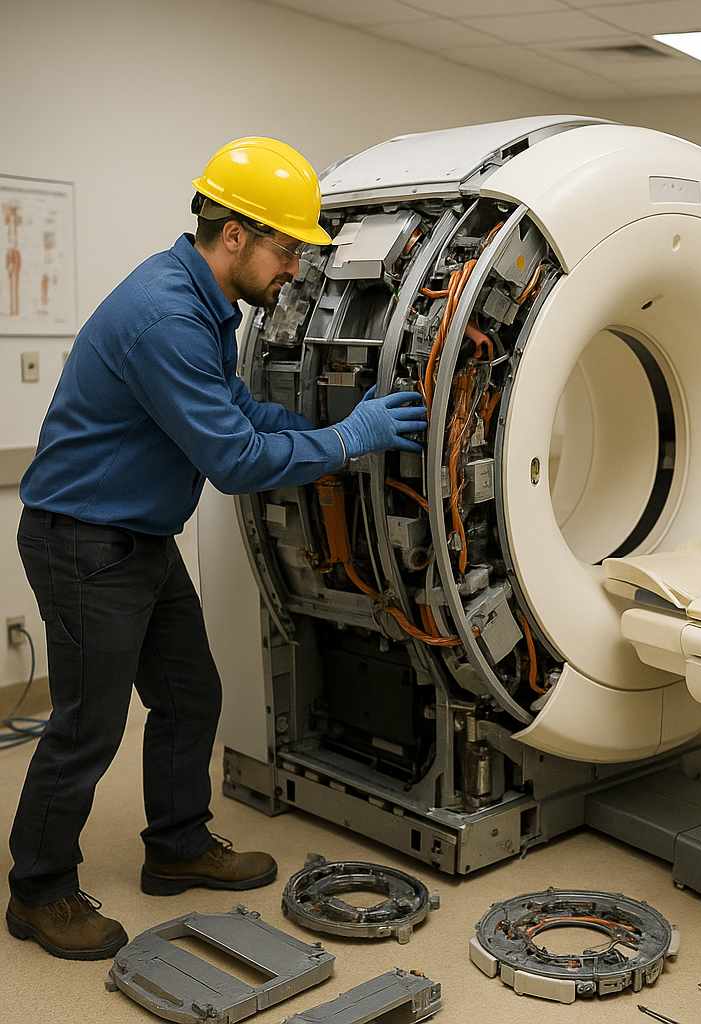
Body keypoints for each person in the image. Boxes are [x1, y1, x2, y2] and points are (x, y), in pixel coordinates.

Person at [6, 137, 427, 960]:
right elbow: (233, 461)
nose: (296, 268)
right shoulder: (166, 315)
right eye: (286, 247)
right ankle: (39, 890)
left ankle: (176, 845)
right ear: (231, 234)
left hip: (135, 537)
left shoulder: (201, 305)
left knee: (192, 694)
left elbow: (239, 414)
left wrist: (333, 429)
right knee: (88, 727)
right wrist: (346, 443)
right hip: (87, 544)